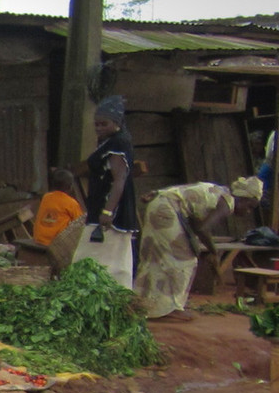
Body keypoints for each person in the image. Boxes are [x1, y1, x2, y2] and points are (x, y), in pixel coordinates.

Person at [135, 176, 265, 320]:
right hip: (166, 210)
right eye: (249, 207)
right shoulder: (227, 203)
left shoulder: (220, 192)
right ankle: (170, 307)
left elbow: (195, 221)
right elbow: (203, 229)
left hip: (160, 205)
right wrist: (213, 251)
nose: (248, 212)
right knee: (184, 259)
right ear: (242, 198)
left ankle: (143, 304)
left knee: (155, 257)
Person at [79, 95, 138, 238]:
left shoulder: (119, 143)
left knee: (103, 255)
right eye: (96, 124)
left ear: (116, 122)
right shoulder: (106, 140)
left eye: (104, 124)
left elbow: (119, 180)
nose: (99, 128)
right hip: (98, 206)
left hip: (111, 213)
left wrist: (107, 212)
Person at [31, 167, 85, 247]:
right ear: (70, 187)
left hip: (38, 239)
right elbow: (80, 223)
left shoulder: (46, 197)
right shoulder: (71, 203)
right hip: (55, 244)